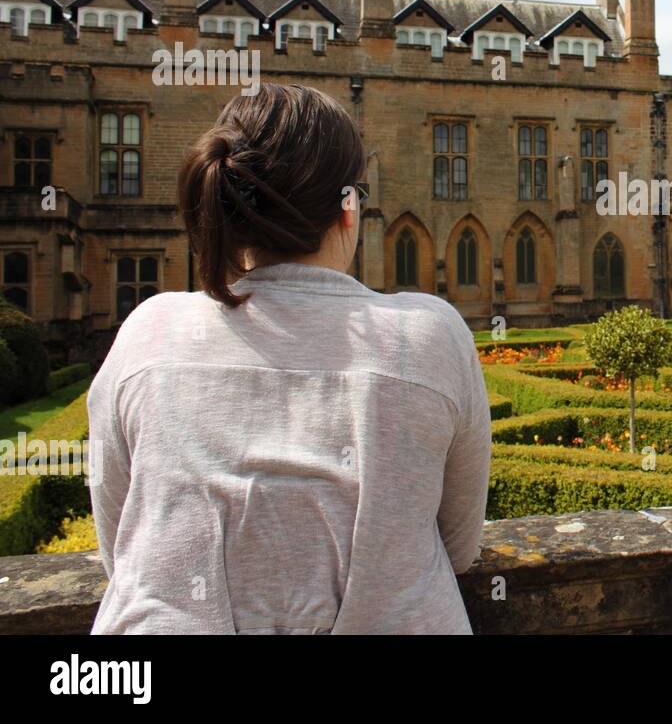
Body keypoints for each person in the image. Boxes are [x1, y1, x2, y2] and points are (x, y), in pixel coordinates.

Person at [86, 82, 491, 634]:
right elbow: (460, 545)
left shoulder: (148, 330)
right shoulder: (431, 332)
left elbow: (122, 546)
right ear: (349, 207)